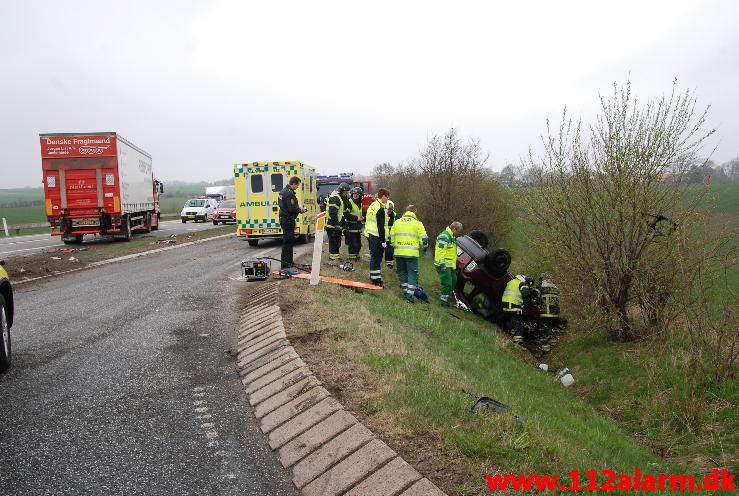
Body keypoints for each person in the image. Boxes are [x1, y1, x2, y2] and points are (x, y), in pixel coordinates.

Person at [390, 205, 428, 303]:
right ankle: (409, 296)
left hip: (398, 252)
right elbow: (424, 239)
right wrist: (424, 248)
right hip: (411, 254)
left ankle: (405, 291)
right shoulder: (418, 224)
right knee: (412, 274)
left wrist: (396, 245)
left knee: (401, 271)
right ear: (414, 212)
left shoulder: (396, 222)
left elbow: (391, 238)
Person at [278, 176, 307, 269]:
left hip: (284, 219)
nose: (297, 187)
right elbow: (291, 208)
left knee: (288, 241)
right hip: (288, 220)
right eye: (297, 185)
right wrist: (300, 210)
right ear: (294, 183)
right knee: (288, 242)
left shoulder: (283, 191)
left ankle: (289, 262)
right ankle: (286, 263)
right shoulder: (288, 193)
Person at [363, 188, 390, 286]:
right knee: (377, 257)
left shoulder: (373, 205)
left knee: (375, 257)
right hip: (377, 236)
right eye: (387, 197)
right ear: (383, 196)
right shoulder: (380, 207)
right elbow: (381, 226)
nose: (387, 199)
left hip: (370, 234)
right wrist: (383, 240)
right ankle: (375, 280)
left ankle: (376, 277)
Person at [434, 222, 463, 306]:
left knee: (453, 281)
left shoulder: (452, 237)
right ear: (454, 229)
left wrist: (457, 260)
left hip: (450, 265)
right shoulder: (444, 237)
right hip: (443, 264)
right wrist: (442, 265)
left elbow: (450, 251)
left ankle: (445, 298)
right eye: (459, 231)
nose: (458, 233)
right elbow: (440, 252)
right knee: (447, 283)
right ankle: (443, 301)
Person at [501, 275, 533, 343]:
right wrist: (526, 306)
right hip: (514, 306)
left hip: (505, 305)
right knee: (518, 323)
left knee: (512, 321)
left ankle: (510, 334)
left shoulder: (511, 282)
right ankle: (517, 341)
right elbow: (526, 295)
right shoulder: (521, 284)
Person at [325, 182, 352, 263]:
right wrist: (336, 224)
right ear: (341, 191)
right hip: (332, 225)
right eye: (345, 192)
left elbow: (342, 212)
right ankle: (333, 259)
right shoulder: (335, 198)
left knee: (337, 242)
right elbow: (333, 213)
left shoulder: (340, 198)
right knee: (333, 242)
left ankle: (336, 256)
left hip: (336, 225)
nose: (346, 194)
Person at [345, 186, 364, 260]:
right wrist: (357, 218)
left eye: (357, 194)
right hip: (351, 226)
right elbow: (347, 214)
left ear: (360, 195)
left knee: (358, 244)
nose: (355, 195)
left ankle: (356, 256)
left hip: (358, 226)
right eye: (354, 194)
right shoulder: (349, 202)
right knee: (353, 243)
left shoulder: (360, 203)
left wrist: (362, 217)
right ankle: (352, 258)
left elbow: (359, 213)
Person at [384, 200, 396, 268]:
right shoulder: (382, 214)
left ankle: (389, 263)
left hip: (391, 236)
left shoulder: (395, 215)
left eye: (391, 209)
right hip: (383, 234)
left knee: (390, 250)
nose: (390, 210)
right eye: (388, 209)